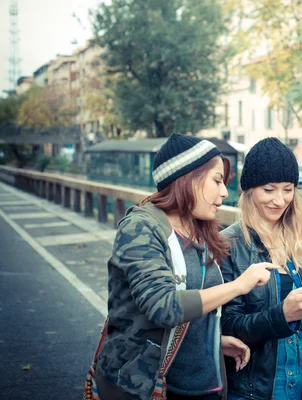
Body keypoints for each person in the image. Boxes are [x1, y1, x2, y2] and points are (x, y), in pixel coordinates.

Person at [93, 133, 276, 400]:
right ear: (187, 179)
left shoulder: (200, 230)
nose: (224, 192)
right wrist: (238, 286)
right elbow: (164, 307)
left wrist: (211, 343)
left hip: (204, 386)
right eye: (216, 180)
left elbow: (196, 307)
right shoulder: (141, 228)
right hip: (146, 386)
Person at [220, 138, 302, 400]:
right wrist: (281, 316)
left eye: (288, 189)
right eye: (269, 189)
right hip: (259, 388)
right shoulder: (229, 244)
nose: (280, 200)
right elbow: (226, 325)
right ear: (250, 190)